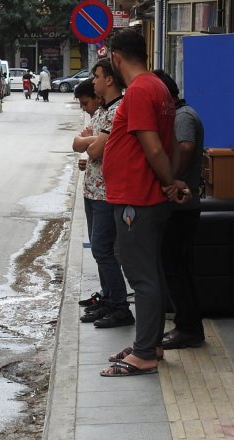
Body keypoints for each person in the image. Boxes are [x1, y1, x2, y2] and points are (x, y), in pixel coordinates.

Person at [99, 28, 190, 377]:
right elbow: (167, 145)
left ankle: (144, 354)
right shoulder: (159, 88)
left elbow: (153, 147)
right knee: (151, 273)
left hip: (137, 197)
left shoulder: (138, 91)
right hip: (147, 194)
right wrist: (173, 182)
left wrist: (169, 182)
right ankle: (149, 343)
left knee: (142, 277)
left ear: (116, 57)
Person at [71, 76, 134, 328]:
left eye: (96, 77)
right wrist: (90, 146)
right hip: (92, 190)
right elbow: (79, 144)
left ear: (108, 81)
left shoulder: (118, 111)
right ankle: (109, 299)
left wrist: (90, 146)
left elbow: (95, 149)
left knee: (103, 250)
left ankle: (120, 305)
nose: (93, 81)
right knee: (101, 252)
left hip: (107, 193)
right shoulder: (102, 113)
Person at [153, 69, 206, 350]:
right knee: (174, 268)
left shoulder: (183, 116)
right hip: (178, 205)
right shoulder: (178, 115)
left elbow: (185, 147)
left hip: (183, 207)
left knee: (176, 269)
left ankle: (189, 329)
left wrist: (170, 179)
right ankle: (185, 325)